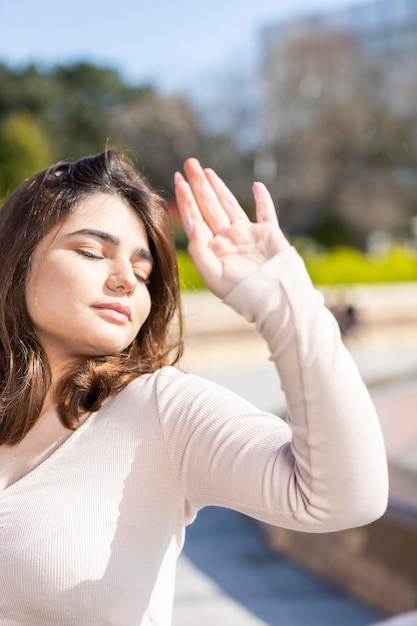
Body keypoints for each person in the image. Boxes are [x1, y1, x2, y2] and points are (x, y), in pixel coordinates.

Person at [0, 148, 388, 625]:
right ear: (17, 262)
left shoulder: (160, 409)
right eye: (91, 252)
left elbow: (347, 497)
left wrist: (283, 304)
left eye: (143, 274)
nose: (125, 280)